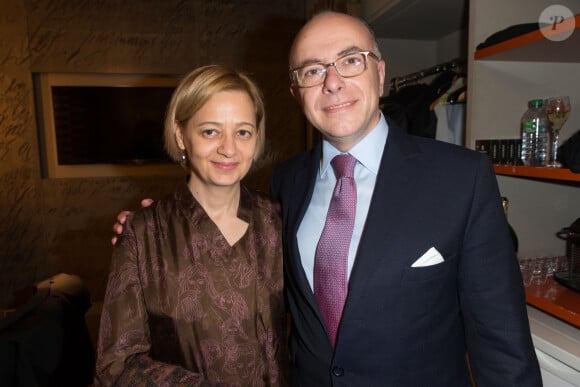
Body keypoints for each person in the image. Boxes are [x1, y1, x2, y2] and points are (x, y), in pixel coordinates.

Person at [113, 11, 542, 386]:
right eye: (313, 70)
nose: (333, 82)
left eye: (350, 61)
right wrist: (153, 236)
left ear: (379, 72)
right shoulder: (286, 184)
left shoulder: (461, 177)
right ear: (297, 91)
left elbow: (503, 345)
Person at [96, 65, 288, 386]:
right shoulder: (144, 233)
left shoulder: (279, 220)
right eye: (210, 131)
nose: (229, 148)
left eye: (243, 131)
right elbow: (116, 364)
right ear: (180, 135)